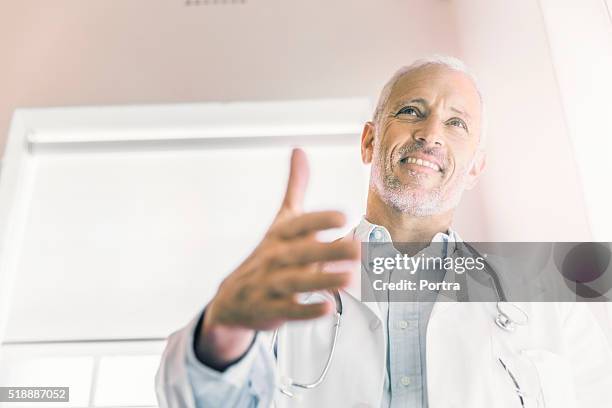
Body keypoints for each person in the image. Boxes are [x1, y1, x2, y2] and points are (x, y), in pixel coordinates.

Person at [155, 56, 612, 407]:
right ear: (370, 141)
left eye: (456, 123)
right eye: (412, 111)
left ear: (476, 167)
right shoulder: (286, 290)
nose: (431, 133)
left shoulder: (547, 302)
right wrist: (220, 334)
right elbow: (193, 397)